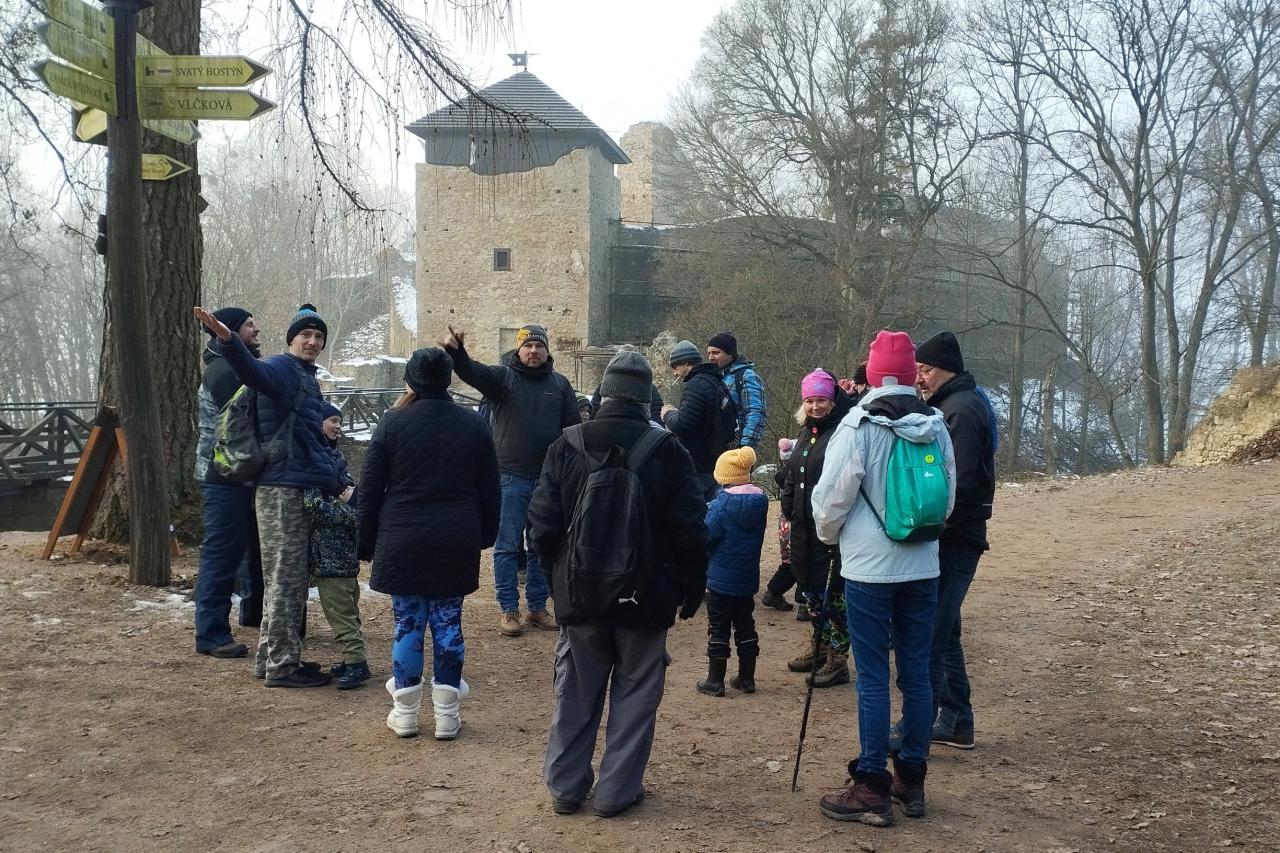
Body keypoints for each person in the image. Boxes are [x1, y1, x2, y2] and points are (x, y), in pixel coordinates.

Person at [528, 351, 708, 819]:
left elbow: (542, 527)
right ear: (647, 399)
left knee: (574, 695)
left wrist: (556, 583)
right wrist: (691, 589)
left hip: (580, 595)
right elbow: (691, 529)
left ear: (603, 394)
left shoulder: (566, 445)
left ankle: (566, 788)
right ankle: (615, 793)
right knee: (636, 696)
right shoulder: (668, 450)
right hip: (646, 598)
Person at [811, 330, 956, 826]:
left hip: (869, 570)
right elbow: (947, 499)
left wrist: (830, 537)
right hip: (923, 565)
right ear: (912, 372)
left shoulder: (857, 425)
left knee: (872, 676)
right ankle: (911, 778)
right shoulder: (935, 425)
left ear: (872, 374)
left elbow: (831, 500)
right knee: (916, 673)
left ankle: (871, 783)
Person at [193, 303, 340, 688]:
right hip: (278, 489)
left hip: (286, 483)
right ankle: (282, 667)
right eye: (305, 335)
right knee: (285, 579)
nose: (312, 341)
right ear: (291, 339)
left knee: (282, 579)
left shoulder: (304, 376)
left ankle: (271, 658)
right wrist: (229, 342)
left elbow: (308, 435)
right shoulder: (280, 367)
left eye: (318, 336)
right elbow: (252, 372)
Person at [358, 348, 501, 739]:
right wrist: (485, 535)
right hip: (456, 536)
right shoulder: (473, 425)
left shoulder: (391, 423)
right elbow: (491, 489)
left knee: (407, 624)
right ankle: (447, 715)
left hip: (402, 537)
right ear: (448, 379)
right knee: (448, 624)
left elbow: (370, 490)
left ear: (411, 380)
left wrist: (365, 543)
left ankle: (404, 713)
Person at [442, 323, 579, 637]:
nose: (533, 351)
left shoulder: (560, 384)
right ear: (519, 350)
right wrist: (457, 353)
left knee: (541, 545)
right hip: (510, 477)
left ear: (547, 350)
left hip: (547, 479)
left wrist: (569, 473)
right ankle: (508, 609)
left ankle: (537, 607)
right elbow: (472, 372)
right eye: (527, 346)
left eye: (539, 346)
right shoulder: (503, 379)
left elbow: (572, 430)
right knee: (506, 546)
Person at [913, 331, 997, 750]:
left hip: (956, 537)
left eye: (926, 370)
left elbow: (957, 484)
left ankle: (919, 728)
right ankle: (957, 720)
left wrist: (925, 521)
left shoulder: (960, 410)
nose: (919, 378)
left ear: (947, 369)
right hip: (957, 536)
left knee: (931, 633)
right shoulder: (955, 404)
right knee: (946, 631)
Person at [194, 307, 263, 657]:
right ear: (232, 329)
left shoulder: (234, 366)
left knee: (249, 549)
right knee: (221, 554)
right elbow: (243, 423)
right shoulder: (224, 371)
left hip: (240, 474)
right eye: (249, 324)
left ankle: (252, 613)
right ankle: (211, 634)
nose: (256, 329)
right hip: (224, 475)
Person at [782, 370, 855, 689]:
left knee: (833, 595)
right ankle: (820, 647)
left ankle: (838, 659)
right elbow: (792, 472)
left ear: (832, 400)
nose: (815, 406)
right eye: (810, 401)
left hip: (829, 529)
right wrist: (788, 505)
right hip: (802, 527)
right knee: (810, 589)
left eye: (821, 400)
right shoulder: (807, 431)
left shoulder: (842, 432)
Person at [306, 403, 370, 690]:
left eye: (340, 421)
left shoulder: (334, 459)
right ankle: (350, 660)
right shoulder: (315, 460)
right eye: (333, 420)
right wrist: (348, 507)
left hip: (336, 555)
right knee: (346, 609)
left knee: (341, 611)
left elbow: (320, 504)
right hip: (331, 552)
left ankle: (356, 663)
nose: (339, 427)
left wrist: (349, 510)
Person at [696, 446, 768, 697]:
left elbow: (706, 537)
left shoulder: (719, 507)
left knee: (718, 628)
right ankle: (747, 678)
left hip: (720, 581)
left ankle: (715, 680)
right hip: (747, 579)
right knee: (745, 625)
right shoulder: (760, 502)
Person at [660, 339, 727, 501]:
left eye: (675, 367)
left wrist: (667, 414)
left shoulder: (695, 385)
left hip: (698, 464)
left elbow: (683, 426)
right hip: (713, 460)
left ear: (686, 363)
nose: (674, 373)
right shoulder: (714, 380)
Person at [706, 331, 767, 450]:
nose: (711, 358)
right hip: (718, 448)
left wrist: (745, 447)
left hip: (738, 448)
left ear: (730, 354)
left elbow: (756, 412)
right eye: (709, 353)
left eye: (716, 353)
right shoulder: (716, 377)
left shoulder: (747, 376)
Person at [761, 438, 797, 613]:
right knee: (800, 564)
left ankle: (773, 593)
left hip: (785, 526)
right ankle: (803, 604)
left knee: (789, 563)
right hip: (796, 526)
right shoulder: (798, 477)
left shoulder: (784, 476)